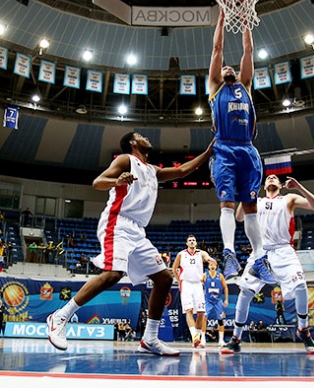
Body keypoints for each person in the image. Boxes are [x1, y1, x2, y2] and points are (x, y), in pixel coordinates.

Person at [46, 132, 214, 356]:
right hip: (118, 223)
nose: (147, 137)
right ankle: (60, 317)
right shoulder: (125, 160)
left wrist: (209, 152)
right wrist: (117, 181)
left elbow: (183, 170)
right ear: (133, 143)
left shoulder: (152, 170)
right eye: (141, 135)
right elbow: (98, 183)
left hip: (137, 230)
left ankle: (149, 339)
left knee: (164, 278)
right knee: (113, 274)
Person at [221, 174, 314, 354]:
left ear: (281, 185)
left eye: (275, 178)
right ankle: (236, 338)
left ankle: (303, 329)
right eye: (268, 177)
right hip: (260, 252)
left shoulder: (288, 199)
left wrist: (299, 186)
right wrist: (247, 193)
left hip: (284, 251)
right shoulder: (256, 201)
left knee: (300, 286)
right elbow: (239, 217)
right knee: (244, 292)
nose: (271, 178)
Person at [207, 10, 273, 283]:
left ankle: (259, 258)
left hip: (247, 148)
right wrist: (222, 18)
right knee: (226, 202)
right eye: (225, 68)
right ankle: (230, 253)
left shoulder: (245, 85)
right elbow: (217, 48)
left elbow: (248, 50)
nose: (228, 68)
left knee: (250, 207)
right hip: (224, 148)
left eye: (230, 68)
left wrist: (246, 20)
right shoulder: (215, 86)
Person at [171, 235, 216, 348]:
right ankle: (195, 338)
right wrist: (179, 280)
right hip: (186, 283)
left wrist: (211, 260)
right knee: (189, 310)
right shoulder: (181, 254)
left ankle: (197, 338)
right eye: (190, 240)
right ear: (187, 243)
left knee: (201, 312)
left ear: (196, 243)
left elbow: (207, 257)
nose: (192, 242)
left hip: (197, 284)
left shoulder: (201, 253)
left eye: (193, 240)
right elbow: (174, 268)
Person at [201, 260, 229, 347]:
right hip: (208, 300)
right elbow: (198, 285)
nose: (212, 266)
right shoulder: (205, 275)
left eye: (214, 265)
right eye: (210, 264)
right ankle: (202, 339)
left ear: (216, 266)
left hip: (218, 301)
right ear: (208, 266)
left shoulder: (220, 276)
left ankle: (221, 340)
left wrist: (226, 300)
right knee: (204, 318)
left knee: (220, 319)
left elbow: (225, 287)